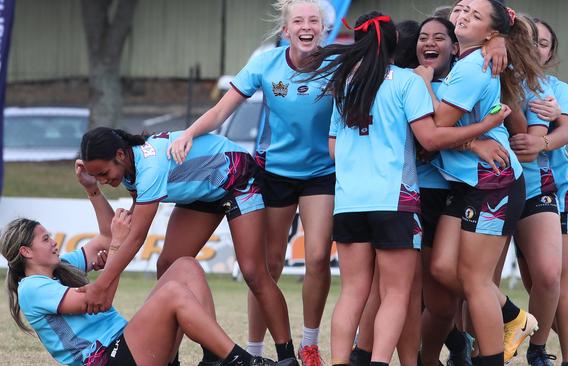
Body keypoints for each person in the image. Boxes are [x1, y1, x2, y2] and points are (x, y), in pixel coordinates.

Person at [302, 11, 509, 366]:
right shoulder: (405, 82)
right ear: (398, 44)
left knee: (352, 293)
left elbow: (335, 149)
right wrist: (485, 127)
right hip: (394, 201)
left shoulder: (344, 83)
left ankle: (340, 361)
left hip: (349, 202)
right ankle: (381, 361)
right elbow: (429, 138)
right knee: (396, 294)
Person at [169, 2, 334, 363]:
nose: (306, 27)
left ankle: (308, 343)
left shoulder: (338, 64)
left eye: (314, 21)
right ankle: (257, 352)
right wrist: (188, 135)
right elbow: (220, 111)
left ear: (324, 29)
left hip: (322, 174)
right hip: (275, 173)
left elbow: (383, 70)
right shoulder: (265, 64)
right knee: (267, 265)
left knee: (318, 256)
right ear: (286, 30)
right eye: (298, 21)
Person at [0, 163, 281, 366]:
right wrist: (117, 249)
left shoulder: (60, 266)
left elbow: (107, 235)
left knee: (185, 266)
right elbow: (102, 300)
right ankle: (242, 362)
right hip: (105, 360)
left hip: (127, 347)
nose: (53, 242)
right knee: (172, 293)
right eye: (45, 238)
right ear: (26, 251)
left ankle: (212, 360)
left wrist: (93, 190)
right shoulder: (32, 288)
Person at [78, 128, 297, 365]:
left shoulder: (150, 168)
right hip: (205, 191)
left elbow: (136, 237)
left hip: (237, 176)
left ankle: (288, 358)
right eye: (97, 176)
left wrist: (101, 285)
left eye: (103, 173)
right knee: (169, 265)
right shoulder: (129, 169)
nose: (103, 180)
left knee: (254, 273)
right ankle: (194, 357)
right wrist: (110, 254)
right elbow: (129, 227)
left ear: (120, 155)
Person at [415, 1, 546, 364]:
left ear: (491, 32)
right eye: (461, 10)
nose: (463, 17)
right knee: (442, 267)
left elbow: (437, 123)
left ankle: (491, 353)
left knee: (475, 282)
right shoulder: (472, 57)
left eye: (474, 15)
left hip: (494, 182)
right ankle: (514, 316)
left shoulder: (474, 66)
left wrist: (424, 82)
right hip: (468, 182)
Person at [510, 17, 568, 366]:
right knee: (537, 285)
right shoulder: (499, 80)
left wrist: (541, 141)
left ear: (551, 53)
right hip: (514, 190)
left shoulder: (555, 88)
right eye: (532, 39)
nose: (536, 47)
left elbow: (564, 133)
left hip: (560, 189)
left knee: (555, 282)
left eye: (545, 43)